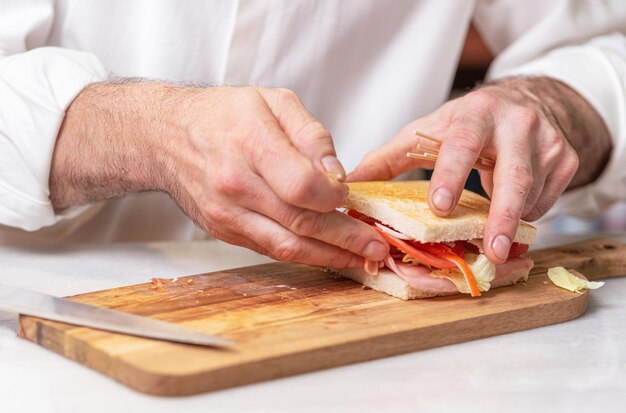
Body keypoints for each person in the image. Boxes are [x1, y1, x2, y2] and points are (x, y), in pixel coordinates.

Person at [0, 1, 624, 268]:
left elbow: (604, 47)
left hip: (375, 357)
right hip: (39, 329)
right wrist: (152, 134)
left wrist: (547, 105)